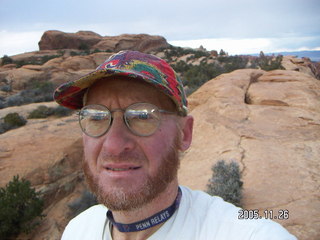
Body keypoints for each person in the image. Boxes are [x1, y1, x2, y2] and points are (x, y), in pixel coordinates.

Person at [54, 50, 297, 240]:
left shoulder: (244, 233)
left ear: (185, 134)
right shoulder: (78, 229)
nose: (114, 145)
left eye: (142, 116)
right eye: (96, 117)